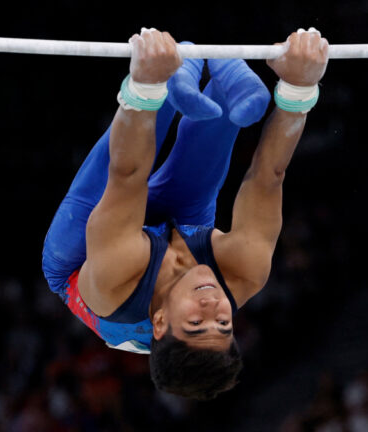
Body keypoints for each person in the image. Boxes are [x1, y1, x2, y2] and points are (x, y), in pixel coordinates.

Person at [42, 27, 329, 400]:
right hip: (177, 232)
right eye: (224, 323)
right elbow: (267, 177)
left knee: (152, 97)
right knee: (228, 113)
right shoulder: (242, 272)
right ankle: (221, 79)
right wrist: (298, 90)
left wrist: (144, 85)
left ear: (160, 322)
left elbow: (127, 176)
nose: (212, 306)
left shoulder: (114, 282)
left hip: (80, 257)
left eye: (196, 322)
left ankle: (179, 66)